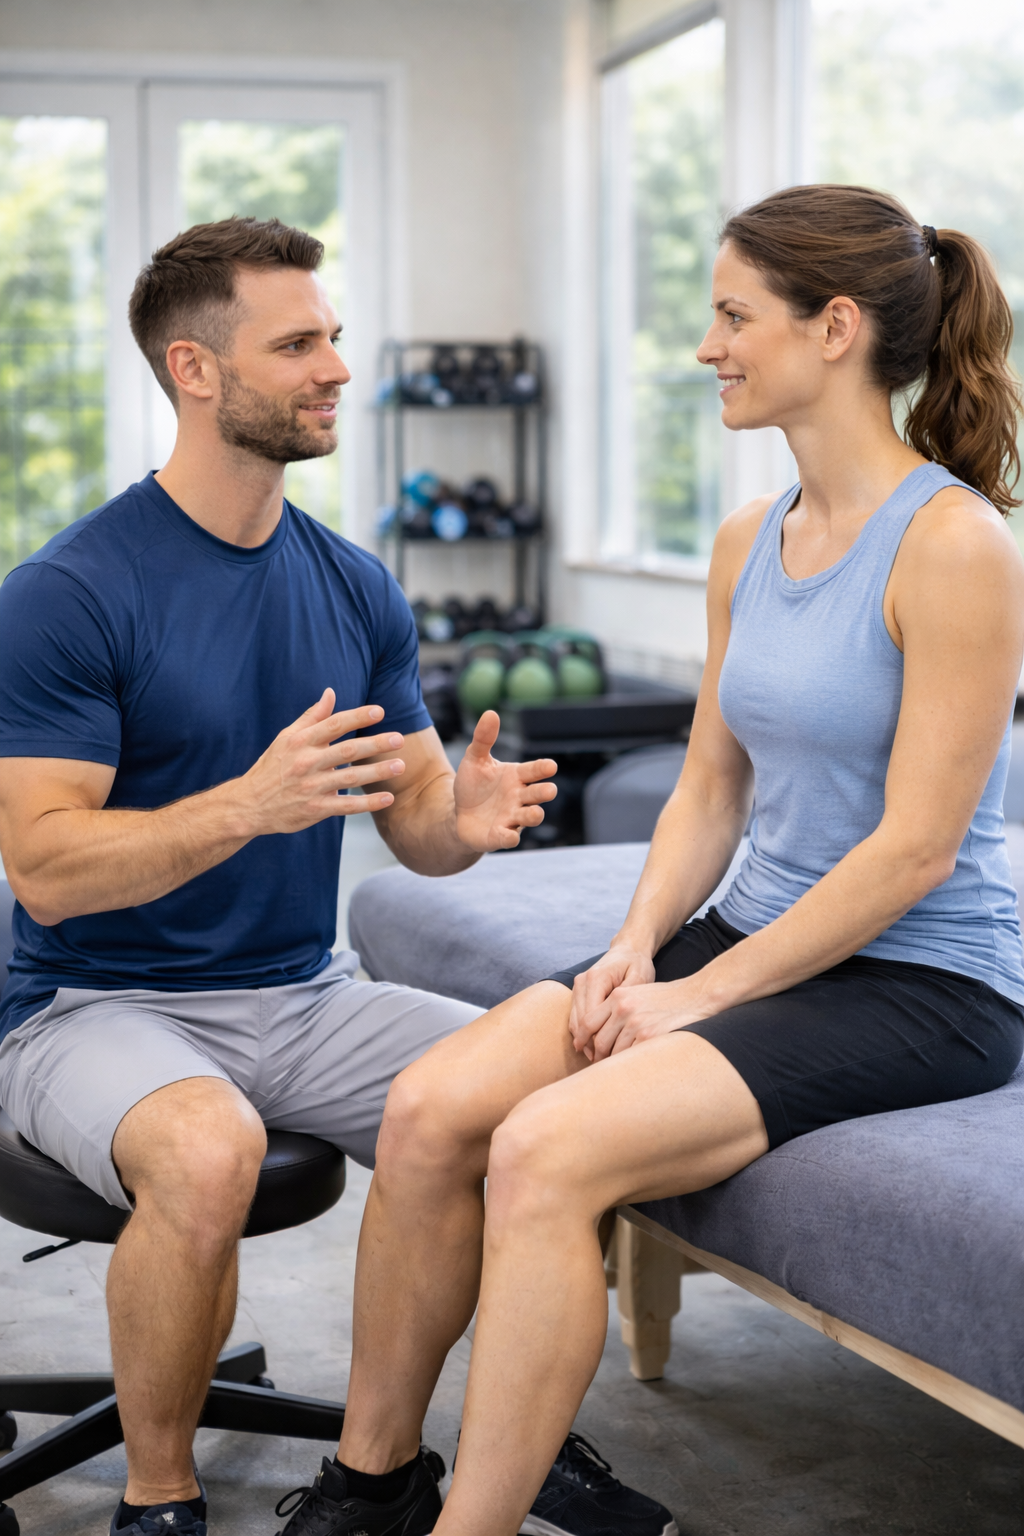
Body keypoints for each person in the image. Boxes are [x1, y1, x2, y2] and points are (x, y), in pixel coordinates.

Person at [278, 184, 1024, 1536]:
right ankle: (373, 1484)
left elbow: (915, 850)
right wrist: (635, 950)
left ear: (836, 328)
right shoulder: (753, 538)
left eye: (735, 316)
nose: (708, 346)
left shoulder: (960, 545)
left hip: (922, 986)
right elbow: (707, 785)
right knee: (433, 1106)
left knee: (547, 1150)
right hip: (754, 937)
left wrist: (698, 998)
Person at [0, 213, 641, 1536]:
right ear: (194, 368)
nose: (335, 365)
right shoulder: (69, 592)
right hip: (91, 1002)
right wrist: (245, 806)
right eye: (298, 343)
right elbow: (50, 872)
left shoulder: (353, 586)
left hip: (303, 992)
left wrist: (458, 818)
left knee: (548, 1091)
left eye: (334, 336)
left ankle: (387, 1469)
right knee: (207, 1143)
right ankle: (159, 1498)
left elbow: (410, 824)